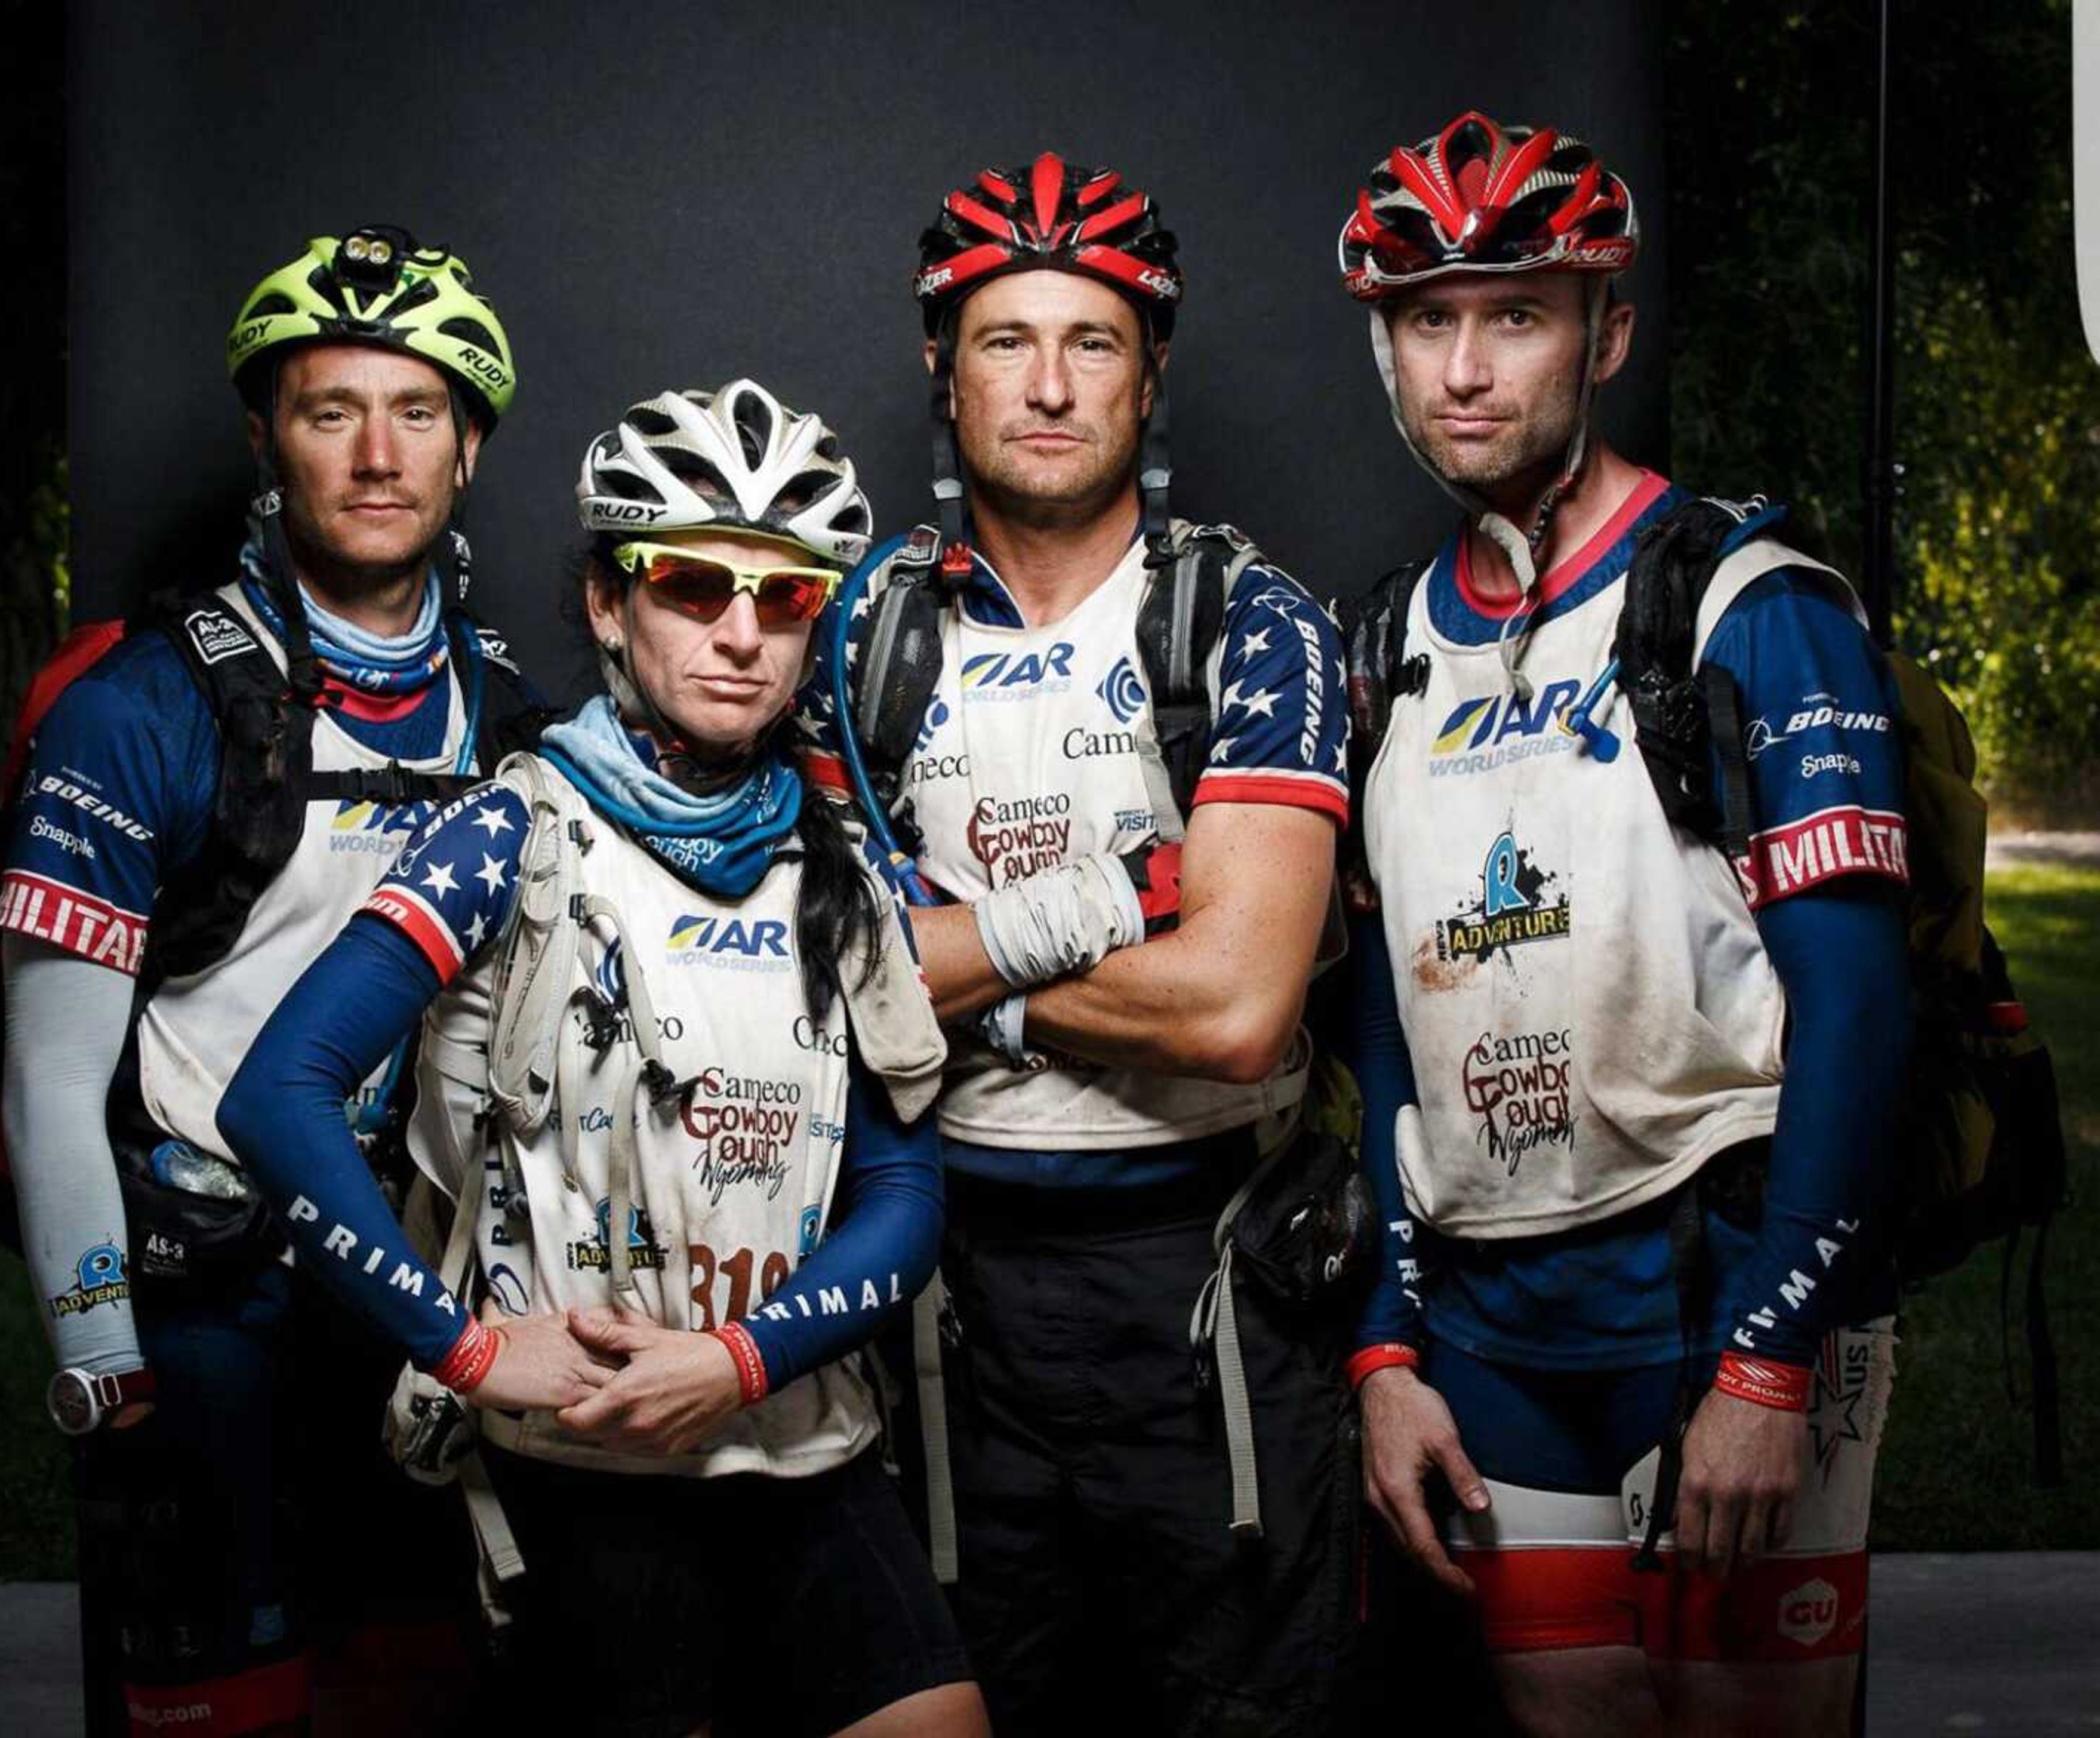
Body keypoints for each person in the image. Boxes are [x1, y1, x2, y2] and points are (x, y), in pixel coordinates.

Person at [218, 379, 988, 1738]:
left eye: (787, 598)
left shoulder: (841, 866)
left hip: (800, 1442)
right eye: (694, 586)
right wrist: (458, 1346)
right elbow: (274, 1098)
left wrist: (740, 1360)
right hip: (583, 1472)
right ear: (605, 603)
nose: (744, 636)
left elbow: (906, 1196)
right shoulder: (509, 831)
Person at [1334, 112, 1910, 1736]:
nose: (1465, 367)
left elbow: (1859, 1001)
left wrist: (1771, 1357)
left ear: (1608, 331)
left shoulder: (1743, 598)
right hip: (1500, 1323)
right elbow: (1382, 1030)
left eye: (1515, 313)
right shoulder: (1385, 643)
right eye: (1424, 319)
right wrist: (1386, 1351)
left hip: (1719, 1282)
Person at [793, 154, 1356, 1734]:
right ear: (940, 362)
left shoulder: (1249, 621)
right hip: (944, 1290)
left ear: (1152, 368)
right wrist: (1117, 913)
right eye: (1003, 339)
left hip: (1204, 1283)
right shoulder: (862, 633)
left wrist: (966, 985)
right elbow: (827, 976)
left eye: (1093, 341)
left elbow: (1239, 1009)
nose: (1047, 386)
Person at [0, 226, 544, 1733]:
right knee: (225, 1708)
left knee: (418, 1695)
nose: (377, 455)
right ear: (266, 437)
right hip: (200, 1301)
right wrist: (97, 1346)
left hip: (412, 1288)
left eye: (417, 411)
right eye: (329, 411)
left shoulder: (515, 715)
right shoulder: (136, 707)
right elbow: (48, 1074)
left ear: (471, 444)